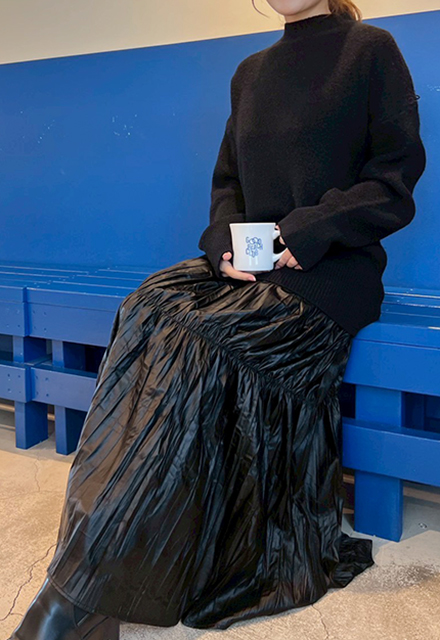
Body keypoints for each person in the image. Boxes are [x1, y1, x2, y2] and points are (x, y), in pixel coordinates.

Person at [9, 0, 426, 638]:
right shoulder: (250, 72)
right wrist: (223, 244)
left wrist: (310, 230)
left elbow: (394, 180)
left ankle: (77, 600)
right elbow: (228, 183)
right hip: (251, 267)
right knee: (148, 306)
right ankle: (91, 569)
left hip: (330, 273)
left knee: (193, 340)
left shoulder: (370, 51)